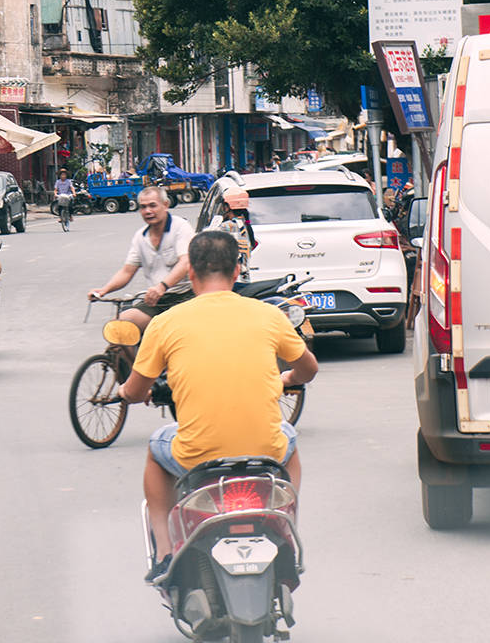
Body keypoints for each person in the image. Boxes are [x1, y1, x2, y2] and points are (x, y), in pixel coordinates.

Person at [120, 229, 317, 580]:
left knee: (156, 448)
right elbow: (308, 369)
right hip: (265, 453)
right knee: (290, 438)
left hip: (197, 457)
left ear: (191, 273)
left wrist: (125, 393)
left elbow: (136, 391)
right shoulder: (269, 316)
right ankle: (286, 527)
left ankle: (164, 552)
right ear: (237, 271)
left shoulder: (165, 323)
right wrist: (288, 379)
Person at [86, 187, 192, 331]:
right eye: (143, 207)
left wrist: (162, 287)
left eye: (153, 205)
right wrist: (104, 290)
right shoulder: (140, 237)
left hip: (185, 298)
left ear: (165, 205)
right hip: (155, 301)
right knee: (119, 328)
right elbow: (127, 272)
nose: (148, 211)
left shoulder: (180, 227)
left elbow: (185, 262)